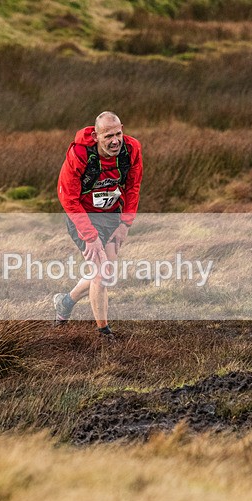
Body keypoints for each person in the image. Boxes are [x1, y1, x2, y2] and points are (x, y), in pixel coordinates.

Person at [53, 112, 143, 339]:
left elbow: (133, 187)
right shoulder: (80, 154)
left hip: (111, 214)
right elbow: (68, 199)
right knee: (102, 274)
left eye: (118, 134)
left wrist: (125, 224)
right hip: (82, 216)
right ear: (95, 135)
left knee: (106, 274)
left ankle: (65, 302)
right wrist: (90, 236)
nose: (115, 141)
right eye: (108, 136)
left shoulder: (131, 150)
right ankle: (103, 332)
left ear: (123, 128)